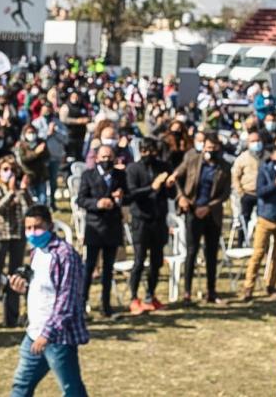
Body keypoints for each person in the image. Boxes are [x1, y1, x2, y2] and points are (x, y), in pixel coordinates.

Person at [8, 204, 89, 397]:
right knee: (21, 385)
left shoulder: (65, 255)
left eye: (38, 227)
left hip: (57, 338)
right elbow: (42, 289)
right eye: (28, 228)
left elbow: (66, 299)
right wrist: (22, 289)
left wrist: (47, 334)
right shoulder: (37, 251)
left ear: (50, 226)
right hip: (34, 333)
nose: (32, 233)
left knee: (71, 390)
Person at [170, 131, 231, 304]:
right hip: (192, 211)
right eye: (208, 147)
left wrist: (209, 207)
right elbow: (176, 177)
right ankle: (187, 292)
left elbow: (225, 193)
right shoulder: (193, 161)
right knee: (191, 251)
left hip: (212, 213)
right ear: (203, 147)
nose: (210, 150)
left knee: (211, 253)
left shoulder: (224, 167)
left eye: (214, 148)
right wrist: (181, 197)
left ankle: (211, 291)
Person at [0, 155, 34, 329]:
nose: (9, 173)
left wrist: (24, 191)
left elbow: (30, 209)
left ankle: (11, 317)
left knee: (15, 276)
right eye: (5, 169)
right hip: (0, 235)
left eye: (12, 170)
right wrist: (11, 192)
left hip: (18, 235)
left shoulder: (20, 189)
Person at [123, 137, 174, 314]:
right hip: (141, 220)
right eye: (144, 151)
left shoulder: (164, 167)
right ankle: (133, 297)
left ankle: (150, 295)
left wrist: (168, 186)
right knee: (139, 260)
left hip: (159, 219)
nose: (148, 154)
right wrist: (152, 187)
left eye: (151, 151)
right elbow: (131, 194)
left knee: (156, 261)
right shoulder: (133, 169)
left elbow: (172, 194)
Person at [241, 143, 276, 301]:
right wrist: (275, 185)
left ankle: (270, 286)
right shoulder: (264, 170)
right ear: (272, 156)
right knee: (258, 253)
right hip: (265, 217)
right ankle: (248, 287)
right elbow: (260, 192)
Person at [77, 145, 126, 317]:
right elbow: (81, 199)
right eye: (104, 157)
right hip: (95, 227)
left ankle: (106, 306)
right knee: (89, 268)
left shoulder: (120, 175)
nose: (107, 160)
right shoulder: (88, 175)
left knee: (108, 269)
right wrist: (97, 203)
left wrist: (120, 198)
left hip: (113, 226)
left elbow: (127, 196)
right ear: (97, 158)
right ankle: (82, 306)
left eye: (110, 157)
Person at [231, 131, 262, 233]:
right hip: (247, 193)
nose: (256, 143)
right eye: (253, 141)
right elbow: (235, 175)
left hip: (262, 194)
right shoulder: (242, 158)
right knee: (244, 219)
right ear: (248, 143)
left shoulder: (266, 156)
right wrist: (240, 192)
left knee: (262, 221)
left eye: (258, 140)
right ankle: (241, 241)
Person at [16, 124, 50, 205]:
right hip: (29, 175)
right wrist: (36, 152)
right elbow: (24, 159)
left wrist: (42, 151)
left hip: (41, 175)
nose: (31, 134)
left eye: (33, 132)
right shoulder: (22, 145)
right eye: (29, 132)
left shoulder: (41, 143)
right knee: (32, 199)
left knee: (43, 199)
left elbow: (47, 156)